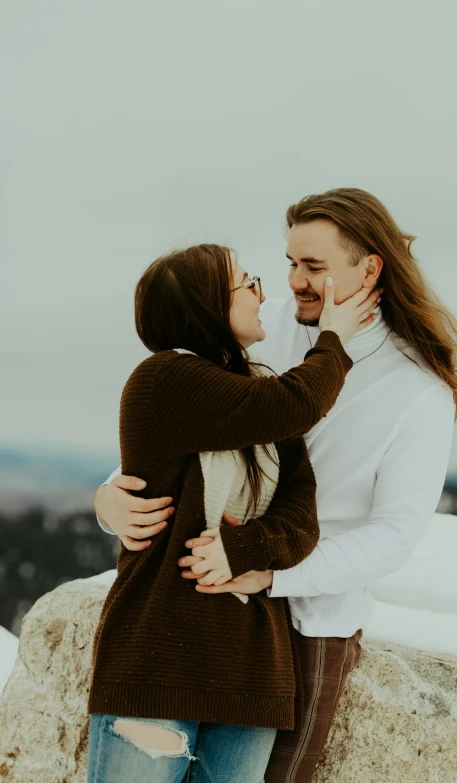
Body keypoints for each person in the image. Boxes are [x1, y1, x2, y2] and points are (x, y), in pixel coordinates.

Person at [96, 188, 457, 782]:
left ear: (369, 269)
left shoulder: (416, 388)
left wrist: (272, 572)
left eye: (313, 267)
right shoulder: (266, 330)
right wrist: (110, 498)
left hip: (302, 631)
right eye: (289, 264)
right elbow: (180, 430)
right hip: (192, 615)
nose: (293, 282)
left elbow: (395, 533)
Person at [87, 241, 381, 783]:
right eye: (249, 284)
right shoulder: (163, 380)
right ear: (204, 305)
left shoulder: (257, 402)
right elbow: (297, 402)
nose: (262, 295)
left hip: (251, 679)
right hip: (159, 667)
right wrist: (335, 338)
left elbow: (301, 523)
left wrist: (242, 548)